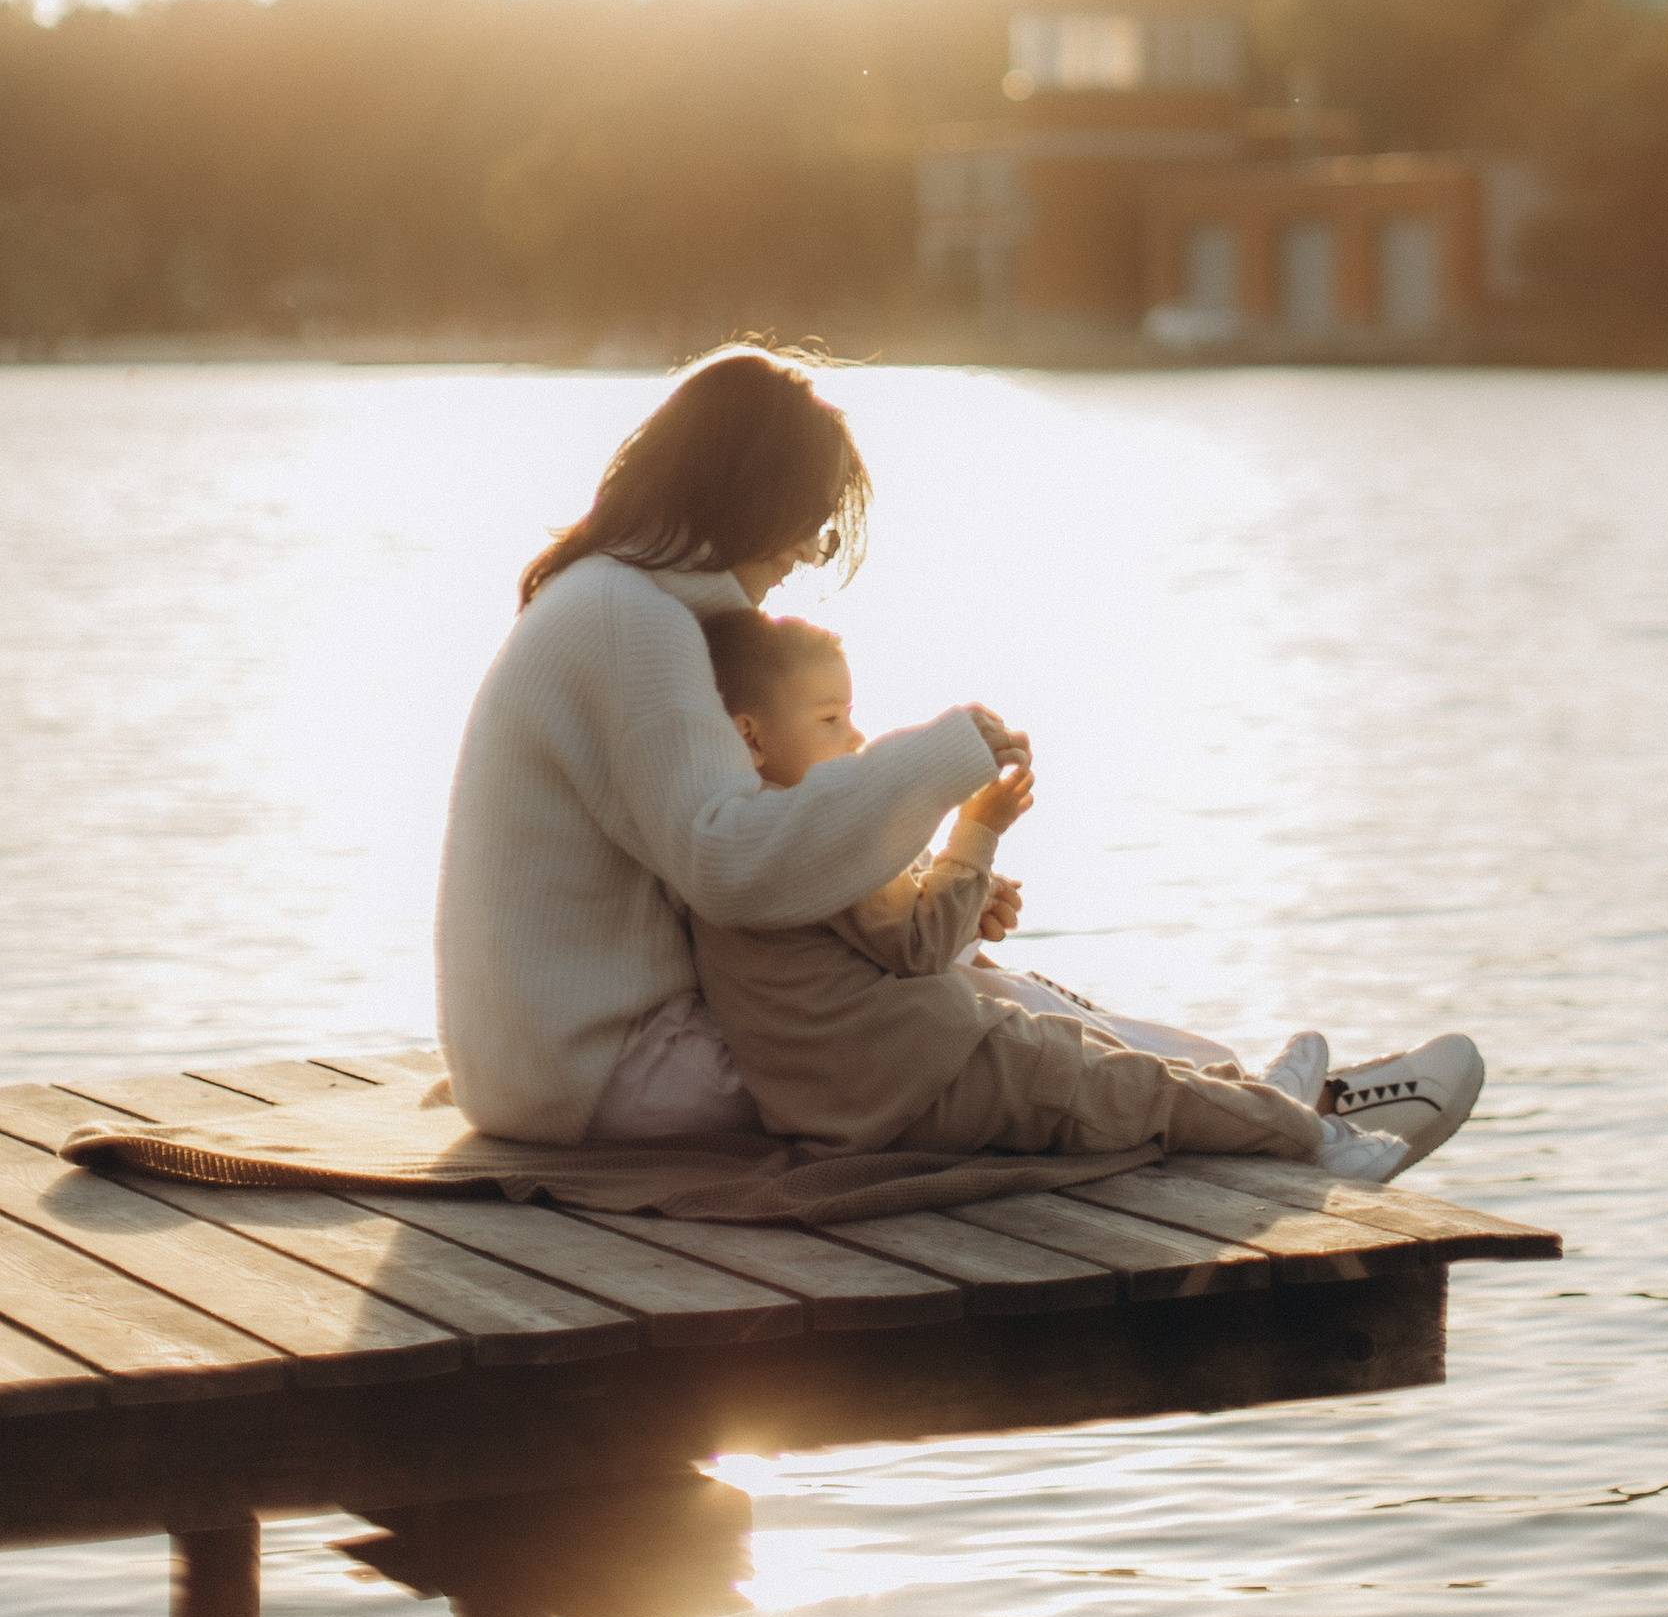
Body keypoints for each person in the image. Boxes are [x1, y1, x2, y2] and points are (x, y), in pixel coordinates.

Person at [434, 348, 1022, 1143]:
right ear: (752, 495)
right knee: (972, 1032)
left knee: (973, 988)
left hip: (545, 1064)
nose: (804, 554)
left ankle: (1207, 1085)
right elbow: (731, 863)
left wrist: (933, 886)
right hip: (604, 1068)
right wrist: (935, 763)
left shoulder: (613, 596)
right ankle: (1222, 1098)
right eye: (808, 523)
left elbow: (730, 850)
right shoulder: (631, 620)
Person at [692, 608, 1480, 1180]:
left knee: (1112, 1065)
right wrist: (977, 830)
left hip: (858, 1095)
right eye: (831, 720)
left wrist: (959, 888)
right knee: (1129, 1087)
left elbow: (880, 934)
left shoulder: (743, 835)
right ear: (754, 737)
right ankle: (1313, 1141)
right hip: (924, 1074)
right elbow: (922, 946)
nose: (856, 740)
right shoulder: (813, 832)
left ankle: (1258, 1101)